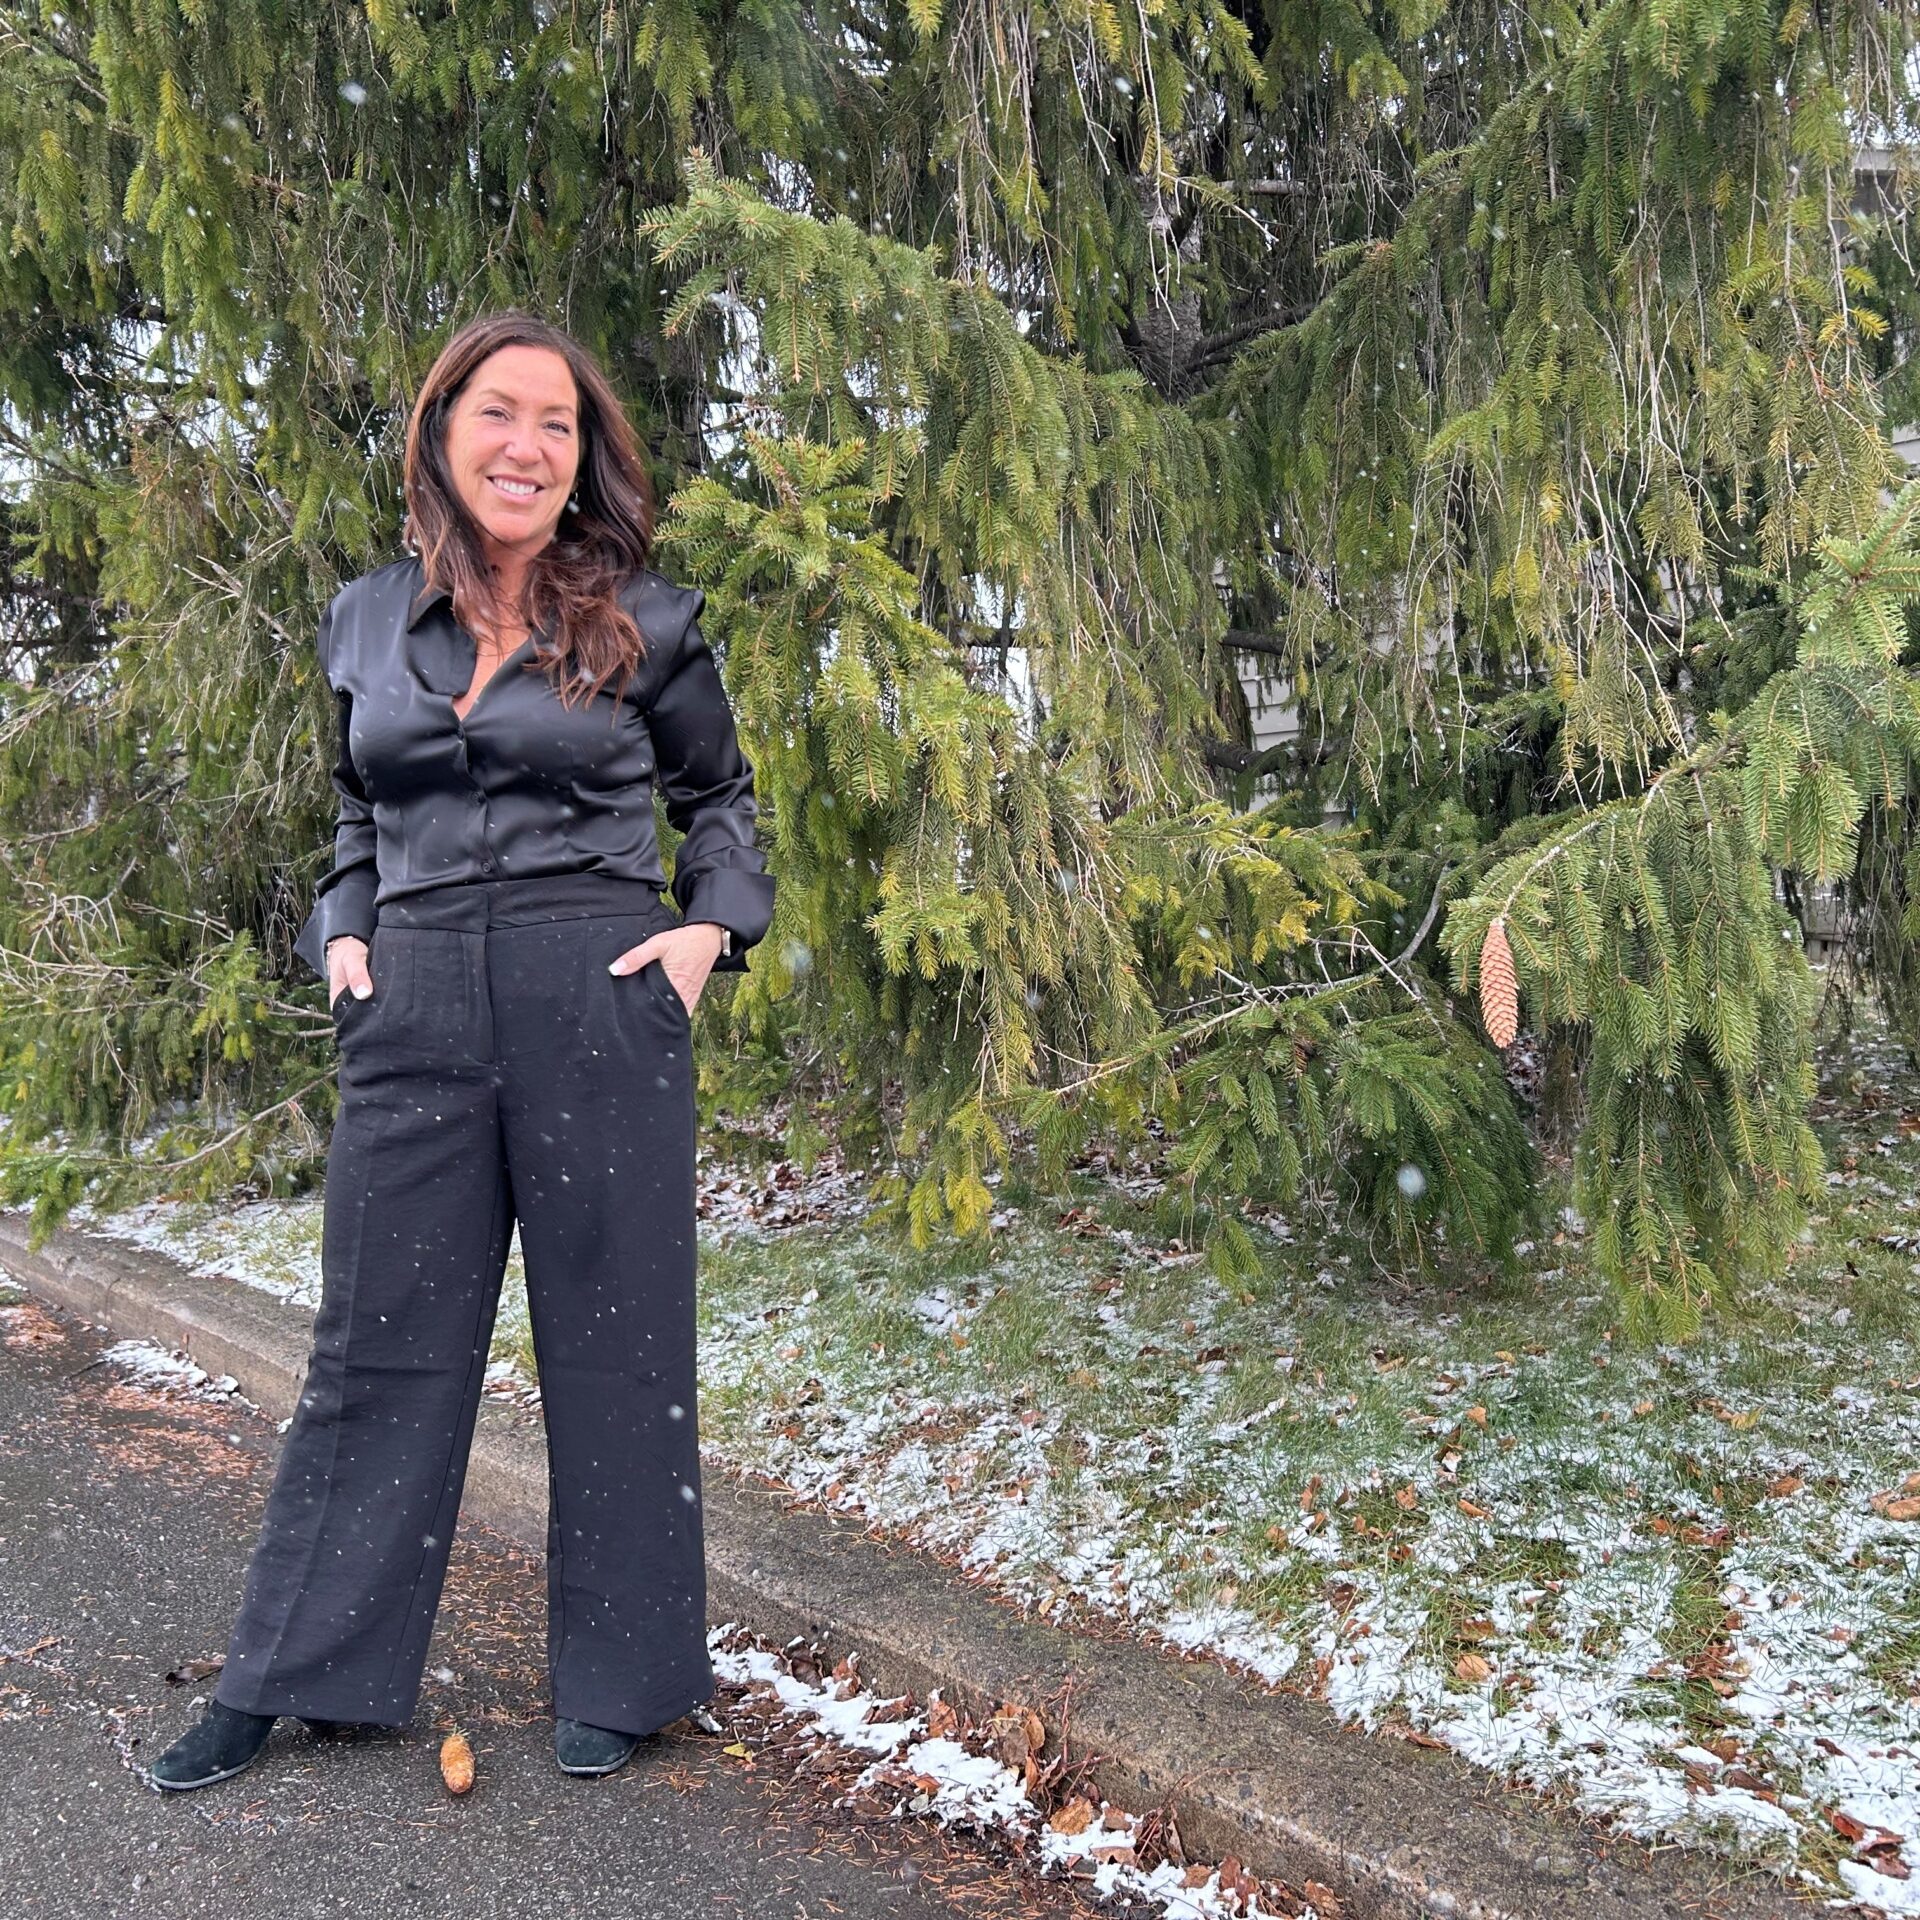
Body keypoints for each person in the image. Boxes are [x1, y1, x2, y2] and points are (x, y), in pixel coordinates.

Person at [146, 310, 775, 1790]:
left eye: (557, 425)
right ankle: (303, 1669)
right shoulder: (366, 620)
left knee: (617, 1342)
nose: (527, 445)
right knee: (373, 1343)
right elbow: (357, 815)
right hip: (414, 999)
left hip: (597, 989)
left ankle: (625, 1679)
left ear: (582, 463)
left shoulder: (651, 622)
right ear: (444, 432)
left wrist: (705, 937)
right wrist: (345, 937)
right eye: (501, 413)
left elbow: (724, 803)